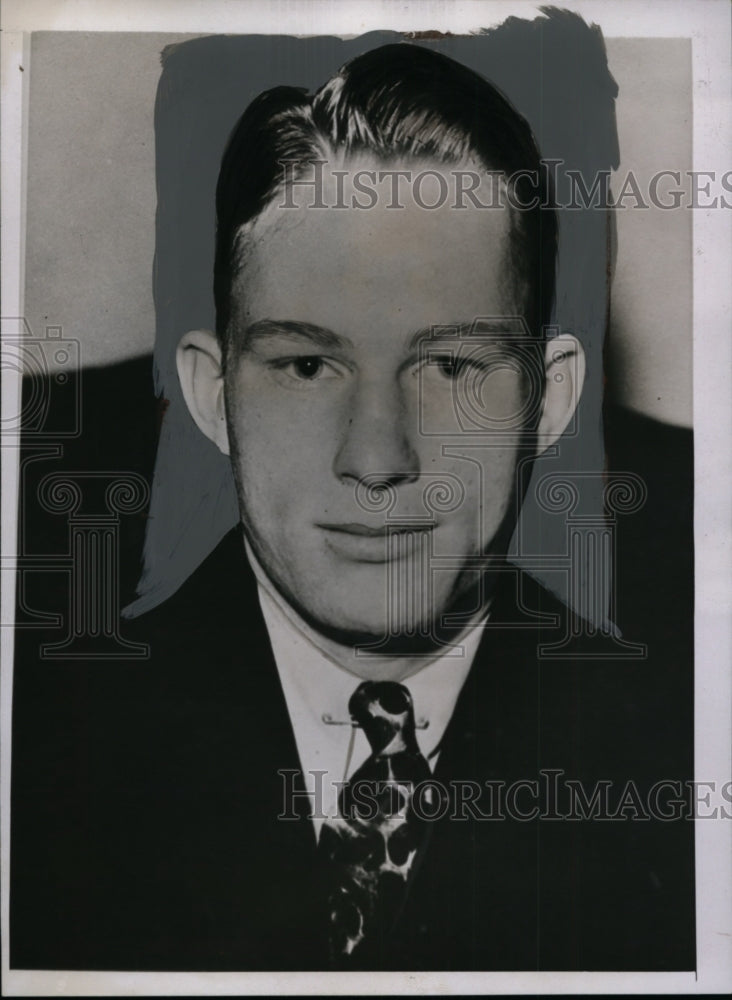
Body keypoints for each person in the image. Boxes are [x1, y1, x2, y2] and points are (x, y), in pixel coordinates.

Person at [10, 43, 694, 973]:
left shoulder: (682, 726)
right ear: (213, 395)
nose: (377, 459)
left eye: (451, 367)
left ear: (550, 399)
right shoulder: (42, 722)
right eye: (305, 365)